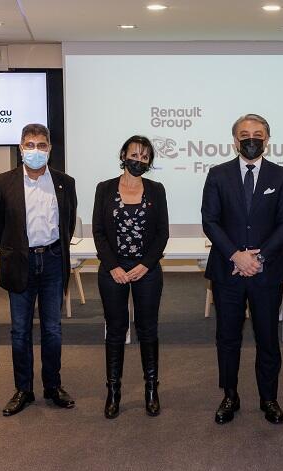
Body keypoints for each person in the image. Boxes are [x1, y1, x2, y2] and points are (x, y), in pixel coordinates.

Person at [201, 113, 283, 425]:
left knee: (267, 338)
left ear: (267, 140)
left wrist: (259, 257)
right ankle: (230, 395)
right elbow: (210, 220)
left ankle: (269, 398)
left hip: (266, 272)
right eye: (244, 135)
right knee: (227, 338)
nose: (251, 140)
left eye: (257, 135)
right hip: (227, 271)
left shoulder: (281, 176)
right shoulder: (218, 174)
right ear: (235, 141)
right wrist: (235, 256)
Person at [0, 123, 78, 416]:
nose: (35, 150)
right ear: (21, 148)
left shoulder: (65, 182)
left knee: (52, 330)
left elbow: (67, 224)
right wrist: (14, 250)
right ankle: (23, 390)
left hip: (52, 261)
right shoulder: (5, 182)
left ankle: (53, 386)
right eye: (30, 145)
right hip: (21, 263)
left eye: (41, 145)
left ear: (49, 149)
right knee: (20, 331)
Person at [93, 135, 169, 419]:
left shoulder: (156, 190)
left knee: (148, 330)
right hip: (113, 270)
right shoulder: (104, 188)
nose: (139, 160)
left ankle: (151, 390)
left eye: (145, 157)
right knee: (115, 330)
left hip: (146, 270)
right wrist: (112, 266)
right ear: (123, 155)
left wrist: (146, 265)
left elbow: (162, 233)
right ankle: (113, 392)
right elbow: (99, 232)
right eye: (134, 154)